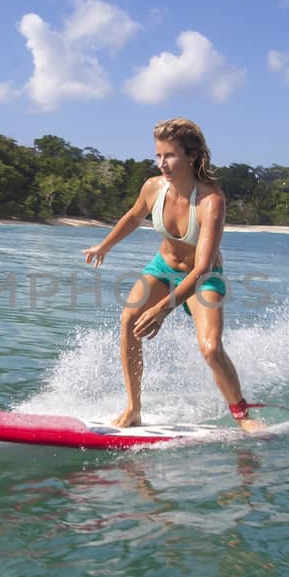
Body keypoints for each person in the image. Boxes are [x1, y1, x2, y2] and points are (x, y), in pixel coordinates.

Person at [82, 118, 265, 432]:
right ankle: (133, 408)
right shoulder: (154, 188)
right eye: (158, 156)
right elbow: (133, 215)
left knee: (210, 348)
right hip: (163, 268)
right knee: (128, 319)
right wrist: (104, 246)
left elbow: (203, 267)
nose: (161, 163)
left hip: (203, 276)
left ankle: (242, 415)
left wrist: (163, 308)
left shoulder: (211, 201)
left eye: (169, 155)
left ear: (192, 155)